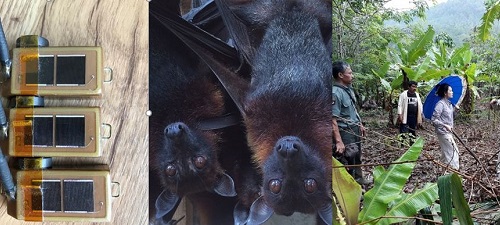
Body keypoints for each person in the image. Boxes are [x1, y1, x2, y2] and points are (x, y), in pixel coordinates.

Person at [332, 61, 370, 184]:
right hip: (345, 132)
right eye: (350, 73)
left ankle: (359, 180)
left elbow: (353, 110)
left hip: (355, 129)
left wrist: (360, 124)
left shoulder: (348, 90)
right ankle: (351, 187)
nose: (352, 75)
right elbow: (332, 119)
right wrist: (339, 141)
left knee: (357, 156)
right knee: (348, 158)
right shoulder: (335, 93)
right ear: (340, 75)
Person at [431, 83, 460, 170]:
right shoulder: (440, 104)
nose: (452, 92)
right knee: (453, 152)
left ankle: (442, 171)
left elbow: (449, 117)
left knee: (446, 153)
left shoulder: (450, 104)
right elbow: (434, 120)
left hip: (448, 132)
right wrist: (444, 125)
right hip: (443, 132)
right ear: (445, 93)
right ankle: (454, 171)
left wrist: (455, 110)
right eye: (450, 90)